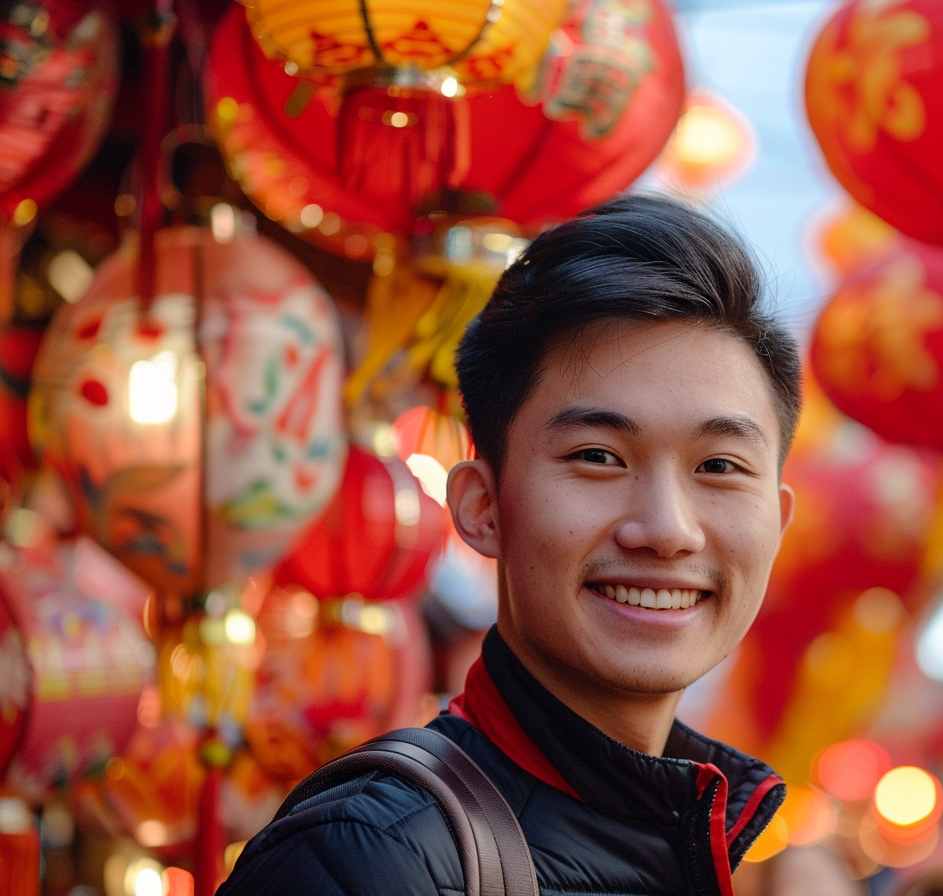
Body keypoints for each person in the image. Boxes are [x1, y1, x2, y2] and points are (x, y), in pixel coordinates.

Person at [220, 194, 802, 895]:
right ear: (482, 506)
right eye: (598, 456)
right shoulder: (365, 860)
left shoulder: (692, 844)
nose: (667, 529)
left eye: (718, 467)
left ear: (778, 519)